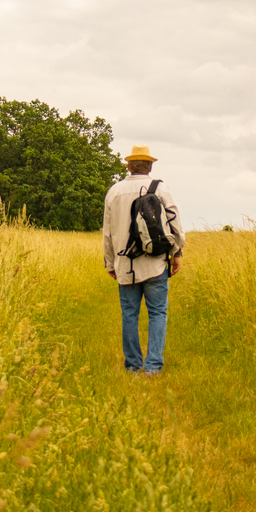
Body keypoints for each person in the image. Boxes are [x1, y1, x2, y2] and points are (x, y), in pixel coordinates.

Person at [102, 144, 185, 374]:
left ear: (128, 166)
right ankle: (153, 367)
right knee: (157, 312)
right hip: (155, 263)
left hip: (125, 264)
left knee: (129, 314)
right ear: (150, 167)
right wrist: (176, 253)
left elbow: (107, 232)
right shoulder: (160, 189)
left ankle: (133, 366)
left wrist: (110, 263)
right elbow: (175, 223)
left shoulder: (114, 191)